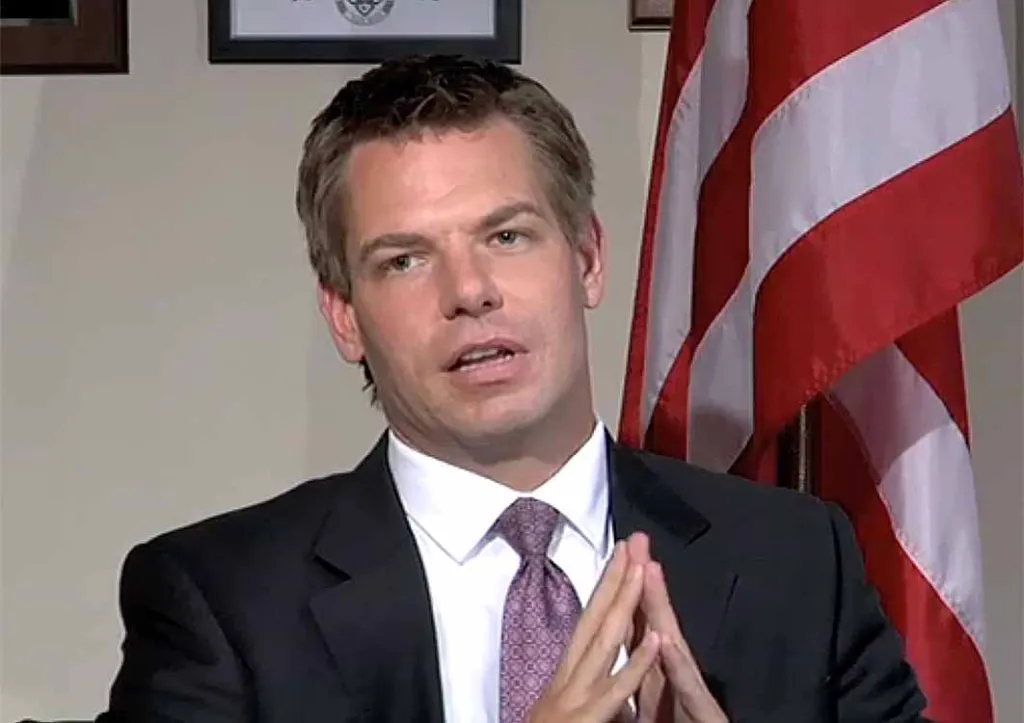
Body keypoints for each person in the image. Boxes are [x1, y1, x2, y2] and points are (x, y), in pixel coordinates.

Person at [96, 54, 928, 722]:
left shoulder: (797, 561)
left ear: (588, 259)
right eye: (405, 259)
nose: (469, 290)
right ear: (346, 315)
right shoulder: (224, 601)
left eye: (506, 235)